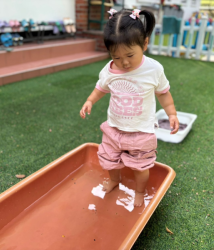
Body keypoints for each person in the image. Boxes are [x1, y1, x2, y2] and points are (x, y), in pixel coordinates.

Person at [80, 8, 179, 207]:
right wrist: (90, 100)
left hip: (141, 132)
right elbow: (100, 88)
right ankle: (115, 180)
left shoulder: (153, 69)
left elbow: (163, 94)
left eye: (130, 55)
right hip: (114, 128)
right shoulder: (109, 71)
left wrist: (172, 112)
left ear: (144, 44)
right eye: (116, 57)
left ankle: (140, 191)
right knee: (109, 160)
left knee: (141, 167)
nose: (124, 62)